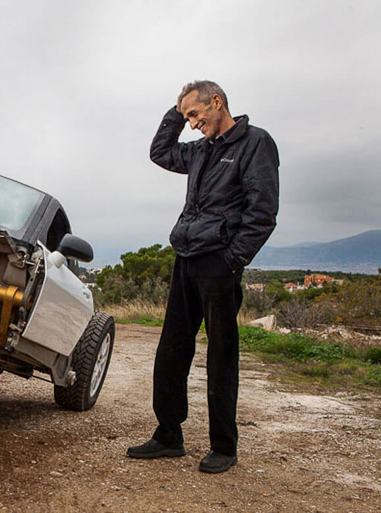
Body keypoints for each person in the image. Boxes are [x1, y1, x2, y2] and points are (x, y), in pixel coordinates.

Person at [127, 81, 279, 473]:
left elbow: (262, 212)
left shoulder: (255, 143)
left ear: (217, 102)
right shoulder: (200, 150)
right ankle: (168, 435)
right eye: (187, 117)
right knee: (172, 349)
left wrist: (232, 260)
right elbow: (160, 152)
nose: (192, 124)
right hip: (186, 256)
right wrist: (175, 110)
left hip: (219, 263)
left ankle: (224, 446)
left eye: (194, 114)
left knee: (220, 355)